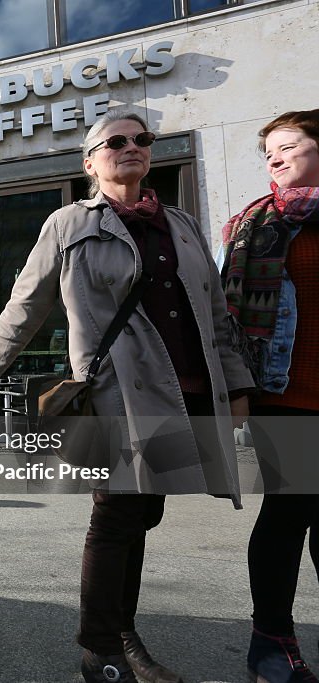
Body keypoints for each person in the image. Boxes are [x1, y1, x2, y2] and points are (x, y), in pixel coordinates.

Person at [0, 110, 253, 682]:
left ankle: (122, 631)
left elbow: (214, 314)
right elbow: (27, 302)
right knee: (116, 515)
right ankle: (102, 649)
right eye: (114, 141)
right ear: (90, 162)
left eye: (142, 139)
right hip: (116, 392)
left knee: (143, 511)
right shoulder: (68, 223)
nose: (130, 147)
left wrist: (234, 386)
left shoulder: (181, 224)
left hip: (184, 392)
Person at [219, 109, 319, 682]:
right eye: (268, 152)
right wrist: (236, 388)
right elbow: (226, 319)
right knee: (290, 513)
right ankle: (271, 641)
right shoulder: (253, 226)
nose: (274, 158)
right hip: (285, 395)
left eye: (288, 146)